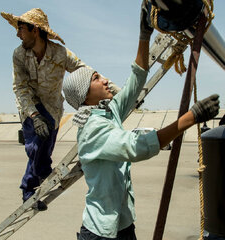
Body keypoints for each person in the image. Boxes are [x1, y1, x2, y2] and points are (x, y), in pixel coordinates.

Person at [62, 2, 220, 239]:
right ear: (84, 94)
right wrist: (190, 118)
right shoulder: (91, 129)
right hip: (101, 233)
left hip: (124, 224)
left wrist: (144, 35)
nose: (104, 80)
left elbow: (137, 79)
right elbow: (137, 148)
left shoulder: (108, 111)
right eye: (96, 78)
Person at [1, 8, 120, 211]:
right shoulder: (19, 54)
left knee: (43, 150)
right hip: (30, 107)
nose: (17, 34)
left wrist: (118, 92)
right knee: (36, 148)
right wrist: (35, 115)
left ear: (35, 30)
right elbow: (20, 88)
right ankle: (34, 183)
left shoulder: (60, 53)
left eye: (21, 29)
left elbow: (85, 71)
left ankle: (34, 183)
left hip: (53, 108)